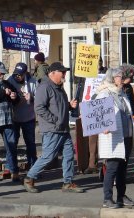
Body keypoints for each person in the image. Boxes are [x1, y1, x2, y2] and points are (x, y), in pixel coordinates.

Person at [22, 62, 83, 193]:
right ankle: (29, 178)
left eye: (65, 72)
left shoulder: (58, 87)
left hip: (62, 128)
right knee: (48, 156)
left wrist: (68, 105)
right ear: (52, 73)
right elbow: (39, 108)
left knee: (69, 155)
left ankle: (67, 182)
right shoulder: (45, 87)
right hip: (52, 128)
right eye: (62, 72)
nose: (64, 75)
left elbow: (57, 105)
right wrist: (55, 120)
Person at [94, 68, 134, 209]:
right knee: (112, 168)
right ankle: (107, 198)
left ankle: (121, 196)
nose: (122, 78)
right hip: (112, 138)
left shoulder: (122, 94)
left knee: (122, 169)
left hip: (126, 136)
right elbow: (97, 115)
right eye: (119, 76)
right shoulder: (104, 94)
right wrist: (102, 126)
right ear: (112, 78)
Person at [8, 63, 39, 170]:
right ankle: (12, 168)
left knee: (30, 143)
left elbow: (40, 98)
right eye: (16, 74)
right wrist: (11, 97)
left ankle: (33, 168)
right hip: (14, 118)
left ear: (25, 73)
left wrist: (32, 97)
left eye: (20, 74)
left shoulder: (33, 82)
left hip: (29, 118)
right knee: (12, 144)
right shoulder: (10, 81)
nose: (17, 76)